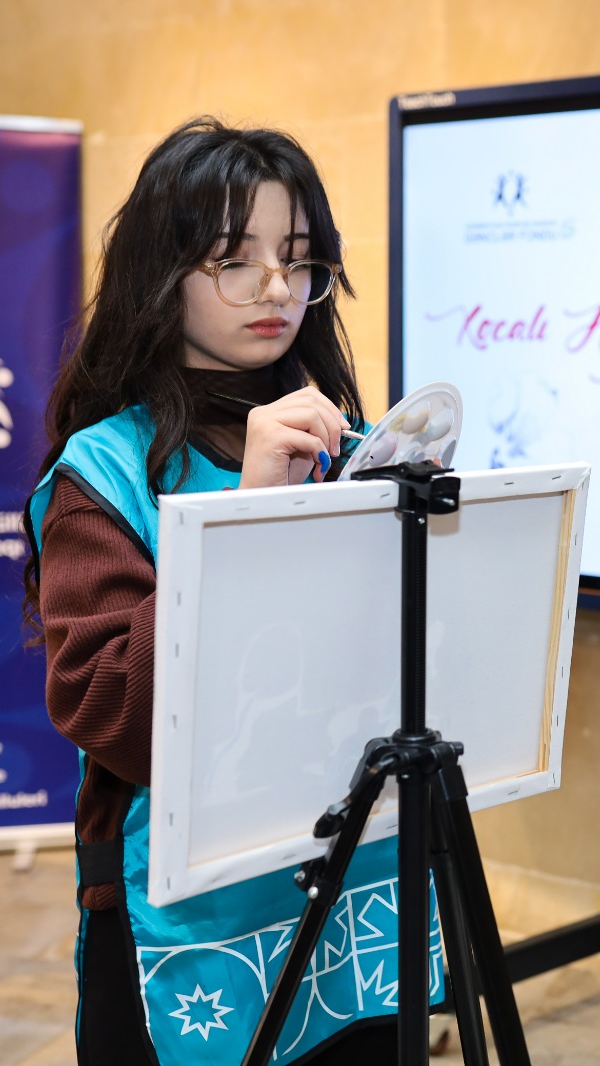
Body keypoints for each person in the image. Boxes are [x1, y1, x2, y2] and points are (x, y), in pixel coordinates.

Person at [23, 118, 424, 1064]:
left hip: (351, 877)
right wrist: (247, 520)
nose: (277, 288)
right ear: (162, 274)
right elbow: (107, 705)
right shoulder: (105, 470)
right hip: (184, 916)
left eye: (298, 257)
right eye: (234, 260)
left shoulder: (347, 443)